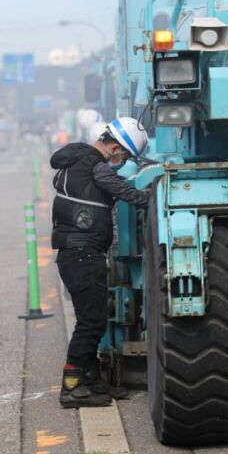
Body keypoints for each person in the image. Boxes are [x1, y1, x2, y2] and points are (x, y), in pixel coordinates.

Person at [51, 117, 150, 408]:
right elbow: (121, 189)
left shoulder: (77, 161)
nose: (124, 162)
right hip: (82, 254)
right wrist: (151, 197)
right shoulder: (95, 166)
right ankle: (71, 385)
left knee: (92, 318)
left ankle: (91, 380)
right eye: (126, 156)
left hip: (77, 254)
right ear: (116, 148)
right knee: (91, 321)